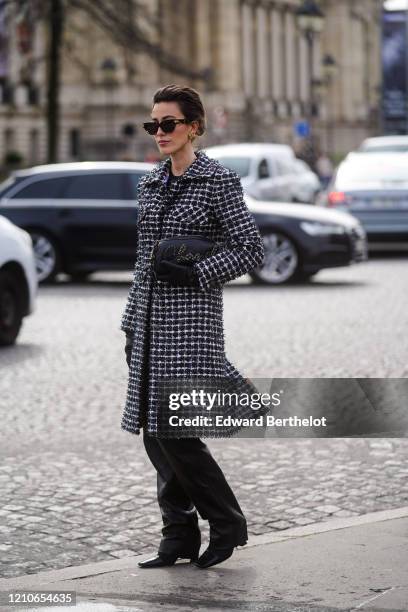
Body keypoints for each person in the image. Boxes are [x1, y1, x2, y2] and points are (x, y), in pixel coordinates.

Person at [120, 84, 265, 569]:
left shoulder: (217, 181)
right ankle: (177, 536)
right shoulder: (150, 183)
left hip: (191, 328)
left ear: (194, 127)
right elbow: (142, 263)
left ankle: (227, 523)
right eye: (153, 125)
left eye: (169, 124)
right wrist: (129, 324)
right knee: (153, 434)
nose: (159, 133)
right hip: (146, 326)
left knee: (178, 433)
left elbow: (249, 249)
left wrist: (197, 272)